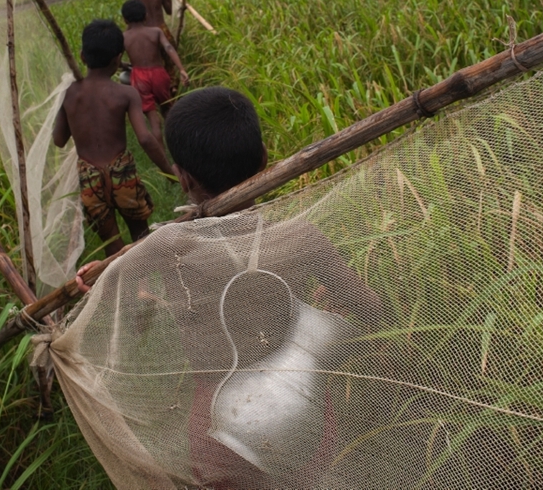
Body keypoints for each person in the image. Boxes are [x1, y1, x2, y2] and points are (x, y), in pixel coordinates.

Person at [76, 87, 383, 488]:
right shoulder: (302, 238)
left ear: (182, 177)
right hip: (302, 413)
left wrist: (120, 290)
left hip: (218, 420)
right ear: (264, 159)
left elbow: (131, 320)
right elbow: (372, 312)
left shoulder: (166, 249)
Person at [52, 19, 174, 257]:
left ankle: (122, 287)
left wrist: (69, 107)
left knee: (112, 246)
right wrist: (168, 170)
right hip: (123, 176)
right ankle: (143, 286)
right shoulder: (126, 93)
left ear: (82, 56)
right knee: (141, 236)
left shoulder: (70, 94)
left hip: (90, 180)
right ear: (118, 58)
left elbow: (59, 139)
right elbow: (145, 139)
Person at [122, 0, 189, 152]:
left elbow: (118, 59)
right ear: (145, 16)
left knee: (153, 120)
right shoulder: (155, 31)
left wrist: (124, 66)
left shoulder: (124, 37)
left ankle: (163, 156)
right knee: (168, 110)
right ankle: (181, 144)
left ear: (125, 19)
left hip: (139, 77)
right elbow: (169, 48)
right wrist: (181, 69)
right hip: (159, 74)